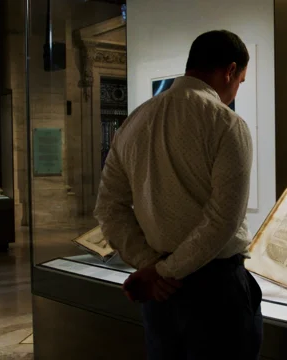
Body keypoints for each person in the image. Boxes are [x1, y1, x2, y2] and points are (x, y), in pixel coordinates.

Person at [93, 30, 262, 360]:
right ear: (229, 70)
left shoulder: (134, 122)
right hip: (215, 291)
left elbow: (108, 209)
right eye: (240, 80)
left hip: (161, 295)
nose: (235, 89)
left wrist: (150, 266)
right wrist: (162, 272)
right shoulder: (226, 124)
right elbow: (223, 221)